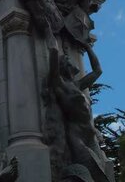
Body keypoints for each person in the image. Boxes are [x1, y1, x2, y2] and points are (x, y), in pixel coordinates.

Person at [47, 44, 110, 182]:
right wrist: (48, 31)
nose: (72, 60)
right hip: (78, 138)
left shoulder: (78, 85)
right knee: (93, 173)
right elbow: (53, 54)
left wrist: (88, 47)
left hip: (91, 138)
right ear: (64, 66)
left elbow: (98, 71)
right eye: (68, 59)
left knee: (103, 175)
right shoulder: (60, 85)